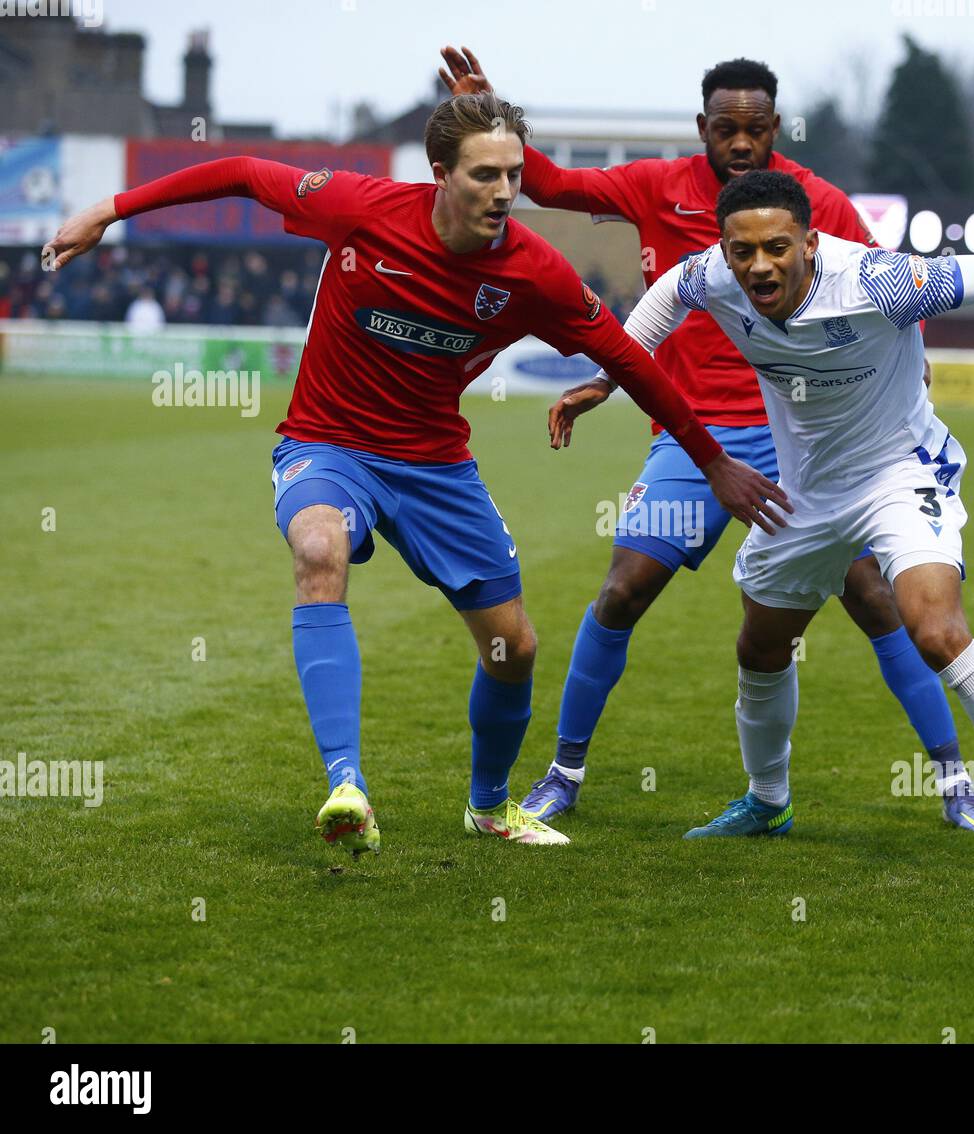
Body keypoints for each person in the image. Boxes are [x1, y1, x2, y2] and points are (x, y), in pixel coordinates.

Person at [41, 92, 784, 855]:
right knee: (319, 550)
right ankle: (346, 785)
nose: (504, 192)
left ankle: (490, 806)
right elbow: (238, 171)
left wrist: (713, 461)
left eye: (515, 175)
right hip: (327, 445)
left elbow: (630, 360)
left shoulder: (535, 273)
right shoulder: (356, 207)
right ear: (440, 174)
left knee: (514, 649)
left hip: (435, 465)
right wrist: (110, 210)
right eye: (485, 174)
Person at [439, 48, 974, 835]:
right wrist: (488, 118)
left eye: (757, 128)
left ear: (776, 125)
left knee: (878, 599)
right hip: (690, 440)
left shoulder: (820, 204)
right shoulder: (651, 186)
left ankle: (954, 783)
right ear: (701, 127)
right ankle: (564, 774)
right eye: (726, 129)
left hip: (807, 447)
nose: (741, 143)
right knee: (622, 589)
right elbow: (550, 183)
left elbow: (894, 301)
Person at [551, 170, 974, 873]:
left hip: (898, 473)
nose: (758, 265)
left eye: (777, 248)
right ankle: (767, 801)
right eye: (742, 251)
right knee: (760, 648)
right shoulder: (714, 276)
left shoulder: (878, 281)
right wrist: (606, 378)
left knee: (934, 630)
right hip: (806, 493)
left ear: (811, 243)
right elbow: (667, 294)